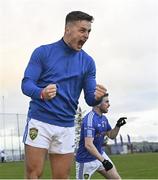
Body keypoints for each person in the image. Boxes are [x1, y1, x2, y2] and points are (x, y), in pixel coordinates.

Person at [21, 11, 107, 179]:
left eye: (89, 31)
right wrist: (41, 93)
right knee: (34, 174)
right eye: (82, 30)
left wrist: (97, 96)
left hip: (67, 126)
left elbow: (90, 98)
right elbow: (26, 83)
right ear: (68, 29)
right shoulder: (43, 52)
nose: (87, 35)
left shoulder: (88, 62)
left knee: (62, 178)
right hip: (40, 122)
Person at [76, 93, 126, 179]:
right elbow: (88, 145)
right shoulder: (90, 120)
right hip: (85, 161)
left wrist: (117, 126)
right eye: (106, 102)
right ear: (98, 104)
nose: (109, 104)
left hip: (100, 155)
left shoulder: (103, 118)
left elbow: (111, 135)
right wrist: (104, 161)